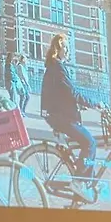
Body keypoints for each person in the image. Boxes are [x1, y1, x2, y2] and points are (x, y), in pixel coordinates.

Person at [41, 34, 99, 193]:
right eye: (65, 47)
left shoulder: (54, 66)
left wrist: (78, 105)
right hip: (61, 118)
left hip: (57, 115)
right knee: (90, 143)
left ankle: (89, 182)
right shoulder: (58, 68)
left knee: (86, 143)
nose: (67, 51)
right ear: (57, 49)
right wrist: (94, 103)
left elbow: (63, 94)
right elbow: (73, 92)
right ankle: (79, 182)